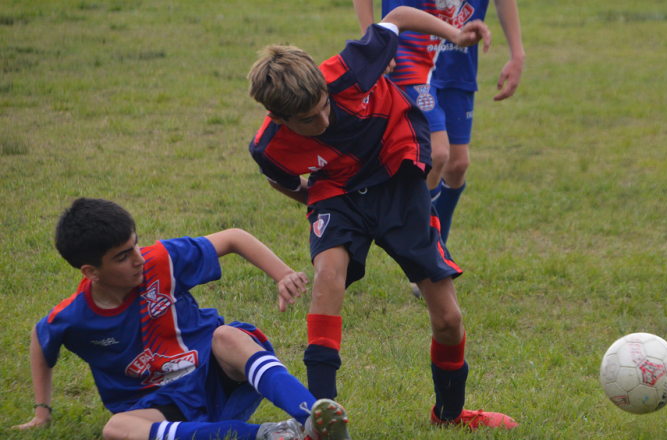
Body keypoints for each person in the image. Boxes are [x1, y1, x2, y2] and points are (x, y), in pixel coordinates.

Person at [246, 6, 516, 430]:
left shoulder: (351, 66)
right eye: (307, 120)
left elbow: (403, 15)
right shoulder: (269, 145)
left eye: (323, 107)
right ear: (278, 119)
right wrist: (316, 199)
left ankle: (449, 414)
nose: (322, 120)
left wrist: (455, 34)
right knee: (327, 278)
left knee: (448, 318)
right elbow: (282, 180)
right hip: (338, 191)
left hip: (398, 177)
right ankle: (321, 420)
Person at [11, 197, 351, 440]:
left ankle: (313, 418)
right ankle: (273, 435)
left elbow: (233, 237)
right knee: (116, 429)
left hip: (215, 373)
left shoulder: (160, 260)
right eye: (122, 257)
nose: (137, 260)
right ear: (91, 271)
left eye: (135, 246)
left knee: (228, 336)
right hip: (162, 405)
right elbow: (41, 340)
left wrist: (282, 274)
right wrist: (42, 411)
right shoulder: (74, 316)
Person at [353, 0, 526, 246]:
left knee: (457, 165)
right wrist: (374, 38)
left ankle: (433, 249)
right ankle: (424, 253)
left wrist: (517, 53)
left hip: (459, 58)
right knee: (436, 153)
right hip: (409, 53)